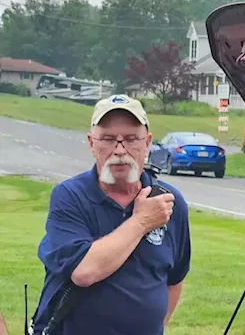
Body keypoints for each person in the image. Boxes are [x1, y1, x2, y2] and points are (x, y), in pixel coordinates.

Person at [29, 94, 191, 335]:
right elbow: (84, 272)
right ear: (91, 144)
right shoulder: (70, 196)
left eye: (130, 139)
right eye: (107, 139)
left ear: (147, 143)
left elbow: (174, 279)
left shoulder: (170, 201)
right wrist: (142, 221)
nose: (119, 150)